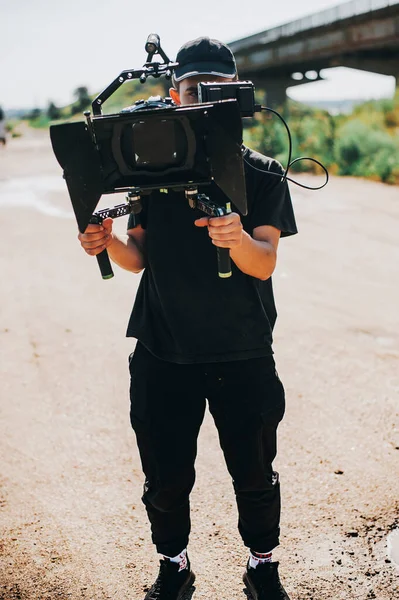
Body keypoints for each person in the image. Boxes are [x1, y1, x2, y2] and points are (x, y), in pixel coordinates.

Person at [78, 36, 297, 600]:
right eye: (191, 89)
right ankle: (174, 566)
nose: (201, 100)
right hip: (162, 349)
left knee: (254, 473)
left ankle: (262, 565)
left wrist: (237, 238)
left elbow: (265, 262)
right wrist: (102, 243)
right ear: (173, 94)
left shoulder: (262, 172)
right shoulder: (149, 171)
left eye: (214, 90)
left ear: (235, 94)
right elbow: (140, 257)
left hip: (243, 349)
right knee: (167, 476)